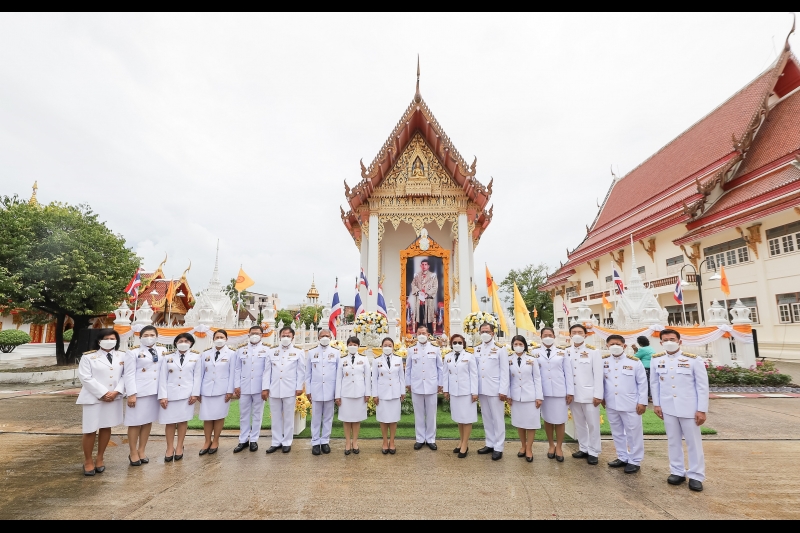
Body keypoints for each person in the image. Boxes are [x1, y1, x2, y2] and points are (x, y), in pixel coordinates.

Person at [651, 329, 709, 492]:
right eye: (665, 340)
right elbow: (654, 384)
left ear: (679, 341)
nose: (669, 342)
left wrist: (701, 409)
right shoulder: (657, 360)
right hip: (668, 407)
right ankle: (677, 471)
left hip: (689, 408)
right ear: (661, 342)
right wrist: (657, 404)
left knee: (693, 443)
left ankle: (696, 475)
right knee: (673, 440)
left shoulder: (693, 360)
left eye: (672, 339)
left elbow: (702, 386)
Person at [77, 329, 126, 476]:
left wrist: (116, 391)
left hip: (113, 397)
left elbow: (126, 375)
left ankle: (100, 458)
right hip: (94, 398)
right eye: (106, 338)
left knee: (106, 427)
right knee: (90, 429)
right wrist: (103, 393)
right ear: (99, 341)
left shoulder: (123, 356)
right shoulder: (89, 357)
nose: (110, 340)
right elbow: (85, 377)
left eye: (113, 338)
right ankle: (88, 461)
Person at [602, 334, 648, 474]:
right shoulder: (603, 361)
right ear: (607, 346)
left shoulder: (634, 362)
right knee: (617, 432)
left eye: (618, 344)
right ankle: (622, 456)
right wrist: (602, 397)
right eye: (611, 344)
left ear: (624, 346)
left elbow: (642, 383)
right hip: (611, 403)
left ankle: (635, 460)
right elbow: (601, 382)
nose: (614, 346)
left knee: (633, 433)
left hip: (631, 403)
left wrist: (642, 402)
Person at [123, 325, 164, 466]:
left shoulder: (163, 350)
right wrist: (131, 394)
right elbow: (128, 374)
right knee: (135, 422)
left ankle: (142, 450)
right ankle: (133, 452)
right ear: (140, 337)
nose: (149, 337)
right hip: (139, 392)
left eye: (152, 335)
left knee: (147, 421)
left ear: (157, 336)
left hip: (155, 391)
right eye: (146, 335)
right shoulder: (133, 352)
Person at [158, 332, 201, 462]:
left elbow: (197, 377)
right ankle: (169, 448)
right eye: (181, 341)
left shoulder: (196, 357)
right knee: (170, 422)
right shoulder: (167, 357)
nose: (183, 343)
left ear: (191, 343)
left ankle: (179, 446)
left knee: (182, 421)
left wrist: (195, 394)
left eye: (187, 341)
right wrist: (163, 396)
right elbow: (162, 377)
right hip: (170, 394)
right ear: (176, 343)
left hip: (187, 395)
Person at [262, 326, 306, 454]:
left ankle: (287, 442)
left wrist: (299, 387)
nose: (285, 337)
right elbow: (267, 371)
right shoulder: (272, 351)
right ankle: (276, 441)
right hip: (274, 388)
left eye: (288, 335)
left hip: (290, 389)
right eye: (283, 335)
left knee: (288, 417)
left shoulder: (298, 352)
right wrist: (265, 388)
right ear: (279, 336)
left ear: (293, 337)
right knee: (275, 417)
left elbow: (300, 371)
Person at [565, 323, 603, 465]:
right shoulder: (566, 352)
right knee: (579, 423)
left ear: (585, 335)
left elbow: (598, 375)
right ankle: (583, 447)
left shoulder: (593, 352)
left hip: (589, 394)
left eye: (580, 332)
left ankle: (594, 451)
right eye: (574, 332)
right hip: (573, 395)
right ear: (569, 335)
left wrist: (598, 394)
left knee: (593, 424)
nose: (577, 334)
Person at [534, 327, 573, 462]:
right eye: (545, 335)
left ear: (554, 336)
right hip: (543, 392)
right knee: (548, 419)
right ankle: (551, 445)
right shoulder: (535, 352)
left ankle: (559, 447)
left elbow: (568, 374)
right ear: (541, 337)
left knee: (560, 420)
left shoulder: (563, 352)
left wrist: (570, 392)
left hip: (560, 391)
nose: (548, 337)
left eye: (550, 335)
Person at [474, 322, 510, 461]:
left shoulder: (500, 349)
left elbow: (504, 371)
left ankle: (499, 447)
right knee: (486, 417)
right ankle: (489, 443)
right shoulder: (477, 348)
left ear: (492, 333)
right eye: (482, 331)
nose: (484, 333)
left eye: (487, 331)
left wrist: (503, 390)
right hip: (482, 388)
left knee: (498, 418)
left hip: (495, 389)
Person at [405, 325, 443, 450]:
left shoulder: (435, 348)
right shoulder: (411, 349)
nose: (421, 335)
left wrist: (440, 383)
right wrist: (408, 383)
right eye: (419, 333)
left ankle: (431, 439)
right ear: (416, 334)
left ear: (428, 335)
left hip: (431, 385)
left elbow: (440, 368)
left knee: (431, 414)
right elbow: (408, 368)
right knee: (419, 414)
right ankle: (420, 438)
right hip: (416, 385)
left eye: (424, 333)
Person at [198, 329, 235, 456]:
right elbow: (200, 374)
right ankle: (207, 441)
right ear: (213, 339)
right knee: (207, 417)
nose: (219, 339)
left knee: (219, 417)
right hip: (206, 389)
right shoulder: (205, 354)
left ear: (226, 339)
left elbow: (232, 374)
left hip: (222, 390)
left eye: (222, 337)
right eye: (217, 337)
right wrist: (198, 392)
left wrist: (230, 391)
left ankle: (216, 441)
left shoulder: (231, 354)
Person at [232, 325, 269, 453]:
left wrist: (265, 388)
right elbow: (237, 369)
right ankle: (243, 440)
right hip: (244, 387)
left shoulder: (267, 350)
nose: (254, 335)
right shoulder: (241, 350)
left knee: (257, 414)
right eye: (252, 333)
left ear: (262, 335)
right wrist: (236, 385)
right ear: (248, 335)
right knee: (244, 414)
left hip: (259, 388)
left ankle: (254, 440)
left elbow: (267, 371)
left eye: (257, 333)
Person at [507, 335, 543, 463]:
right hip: (516, 396)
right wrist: (508, 395)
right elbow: (508, 379)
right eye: (515, 344)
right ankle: (522, 445)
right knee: (520, 423)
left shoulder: (532, 360)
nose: (518, 346)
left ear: (524, 345)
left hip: (530, 396)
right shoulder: (508, 359)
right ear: (512, 345)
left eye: (520, 344)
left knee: (531, 424)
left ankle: (529, 448)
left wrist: (539, 397)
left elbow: (537, 378)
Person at [443, 333, 478, 458]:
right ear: (451, 344)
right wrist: (446, 390)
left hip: (466, 392)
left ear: (463, 344)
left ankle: (465, 444)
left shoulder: (469, 357)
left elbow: (474, 375)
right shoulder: (447, 357)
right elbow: (445, 375)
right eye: (454, 342)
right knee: (459, 418)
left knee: (466, 418)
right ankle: (461, 441)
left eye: (459, 342)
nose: (457, 344)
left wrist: (475, 392)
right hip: (454, 392)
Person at [305, 329, 340, 455]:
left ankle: (325, 441)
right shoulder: (311, 352)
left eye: (327, 335)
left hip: (330, 391)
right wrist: (308, 390)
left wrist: (337, 393)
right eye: (322, 335)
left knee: (328, 417)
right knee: (315, 418)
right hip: (316, 390)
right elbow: (307, 374)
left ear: (331, 337)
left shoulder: (336, 352)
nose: (325, 337)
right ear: (318, 337)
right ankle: (315, 442)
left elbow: (338, 375)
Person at [335, 336, 371, 455]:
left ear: (358, 346)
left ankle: (355, 442)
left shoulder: (364, 359)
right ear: (347, 345)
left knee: (356, 420)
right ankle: (347, 443)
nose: (352, 346)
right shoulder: (342, 360)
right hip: (345, 393)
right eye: (350, 344)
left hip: (359, 393)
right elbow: (338, 378)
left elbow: (367, 377)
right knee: (346, 420)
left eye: (355, 345)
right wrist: (337, 395)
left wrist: (367, 393)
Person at [373, 337, 406, 454]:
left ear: (393, 347)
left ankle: (392, 442)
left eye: (389, 345)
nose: (387, 347)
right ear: (382, 347)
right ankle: (384, 442)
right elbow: (374, 379)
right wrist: (374, 394)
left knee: (393, 419)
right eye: (385, 345)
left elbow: (401, 377)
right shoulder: (377, 360)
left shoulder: (398, 359)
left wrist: (402, 392)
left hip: (395, 393)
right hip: (382, 394)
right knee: (383, 419)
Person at [410, 259, 438, 332]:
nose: (424, 266)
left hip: (428, 300)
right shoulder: (417, 276)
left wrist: (427, 293)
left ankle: (430, 336)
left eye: (426, 264)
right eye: (422, 264)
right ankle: (419, 336)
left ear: (428, 266)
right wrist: (419, 292)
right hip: (419, 301)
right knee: (419, 320)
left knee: (429, 320)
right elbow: (413, 285)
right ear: (420, 266)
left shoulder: (433, 276)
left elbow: (435, 287)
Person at [633, 335, 655, 400]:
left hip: (645, 367)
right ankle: (651, 395)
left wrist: (635, 350)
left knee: (645, 382)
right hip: (651, 366)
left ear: (640, 342)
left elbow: (635, 358)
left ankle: (647, 396)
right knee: (650, 381)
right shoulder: (650, 348)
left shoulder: (642, 349)